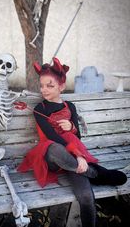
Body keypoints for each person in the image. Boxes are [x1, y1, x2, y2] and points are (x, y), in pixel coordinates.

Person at [17, 57, 127, 227]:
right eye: (42, 85)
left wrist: (72, 127)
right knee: (54, 148)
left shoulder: (70, 107)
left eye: (50, 85)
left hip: (73, 161)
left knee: (85, 196)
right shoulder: (40, 109)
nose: (44, 90)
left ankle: (87, 174)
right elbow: (51, 137)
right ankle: (97, 174)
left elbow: (78, 137)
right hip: (53, 158)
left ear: (61, 86)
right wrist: (79, 156)